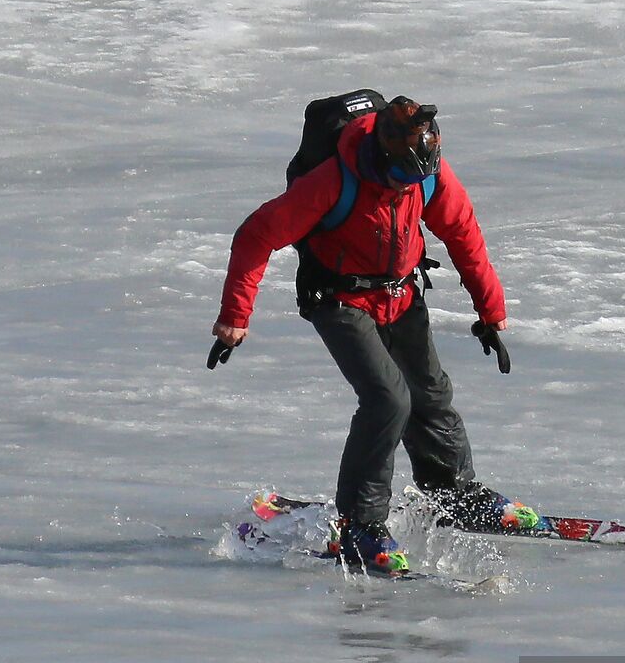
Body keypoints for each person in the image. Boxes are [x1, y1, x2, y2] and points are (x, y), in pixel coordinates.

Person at [211, 95, 536, 574]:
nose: (411, 185)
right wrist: (236, 316)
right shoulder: (331, 181)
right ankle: (360, 527)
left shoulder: (427, 172)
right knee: (388, 399)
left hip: (401, 295)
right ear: (383, 156)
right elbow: (257, 234)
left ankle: (454, 495)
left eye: (419, 176)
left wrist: (491, 311)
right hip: (337, 300)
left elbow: (463, 232)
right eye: (403, 176)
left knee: (430, 392)